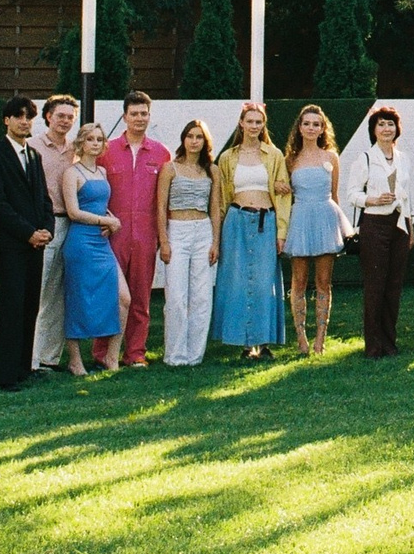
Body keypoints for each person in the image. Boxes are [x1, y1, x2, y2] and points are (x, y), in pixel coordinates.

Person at [0, 94, 54, 393]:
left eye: (29, 117)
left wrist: (47, 230)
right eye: (19, 116)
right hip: (11, 244)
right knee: (12, 306)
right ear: (6, 120)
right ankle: (5, 374)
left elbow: (44, 199)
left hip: (35, 244)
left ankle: (24, 368)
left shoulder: (33, 155)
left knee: (30, 305)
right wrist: (28, 233)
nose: (25, 122)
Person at [211, 102, 286, 359]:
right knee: (238, 281)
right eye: (250, 121)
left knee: (265, 281)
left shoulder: (274, 155)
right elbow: (222, 199)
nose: (254, 126)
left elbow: (283, 195)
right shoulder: (228, 157)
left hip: (266, 221)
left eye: (258, 122)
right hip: (237, 220)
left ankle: (263, 343)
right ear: (241, 123)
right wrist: (217, 236)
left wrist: (281, 232)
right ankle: (244, 343)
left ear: (263, 125)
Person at [102, 92, 170, 369]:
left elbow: (165, 198)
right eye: (134, 114)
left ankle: (135, 353)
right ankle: (103, 353)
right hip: (112, 234)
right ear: (124, 117)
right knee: (111, 296)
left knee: (141, 297)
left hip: (145, 234)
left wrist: (161, 235)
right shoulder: (106, 151)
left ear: (149, 116)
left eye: (144, 113)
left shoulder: (161, 153)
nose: (139, 118)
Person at [342, 107, 414, 359]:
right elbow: (352, 194)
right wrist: (373, 200)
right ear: (373, 130)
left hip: (399, 225)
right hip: (374, 224)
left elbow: (407, 197)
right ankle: (373, 345)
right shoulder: (365, 158)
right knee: (375, 285)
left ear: (397, 129)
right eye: (382, 124)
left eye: (391, 124)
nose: (386, 129)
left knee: (394, 286)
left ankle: (389, 342)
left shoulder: (403, 159)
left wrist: (410, 229)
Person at [58, 123, 131, 375]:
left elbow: (101, 204)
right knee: (77, 300)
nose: (96, 143)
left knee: (123, 298)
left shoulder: (102, 171)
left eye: (99, 139)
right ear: (81, 142)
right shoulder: (72, 173)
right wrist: (105, 221)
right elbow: (73, 211)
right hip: (80, 243)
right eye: (90, 139)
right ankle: (75, 360)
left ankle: (112, 356)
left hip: (102, 243)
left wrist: (111, 220)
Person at [153, 119, 218, 368]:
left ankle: (194, 355)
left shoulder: (212, 170)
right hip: (177, 230)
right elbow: (161, 207)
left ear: (205, 141)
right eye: (190, 136)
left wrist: (215, 242)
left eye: (199, 137)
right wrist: (164, 241)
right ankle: (175, 355)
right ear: (183, 139)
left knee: (202, 296)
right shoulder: (170, 168)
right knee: (176, 297)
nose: (194, 141)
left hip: (203, 231)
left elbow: (215, 208)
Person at [282, 105, 345, 356]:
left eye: (316, 124)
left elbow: (335, 194)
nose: (311, 128)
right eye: (307, 123)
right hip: (300, 219)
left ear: (322, 129)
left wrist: (340, 227)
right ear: (299, 128)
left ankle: (320, 339)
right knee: (298, 281)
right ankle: (301, 339)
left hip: (325, 219)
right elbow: (284, 192)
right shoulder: (290, 159)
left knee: (323, 282)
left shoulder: (331, 157)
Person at [30, 94, 78, 373]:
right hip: (44, 226)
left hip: (72, 224)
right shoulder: (32, 147)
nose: (65, 121)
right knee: (38, 292)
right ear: (48, 116)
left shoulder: (76, 150)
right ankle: (30, 358)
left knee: (60, 294)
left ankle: (50, 357)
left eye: (70, 117)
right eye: (61, 115)